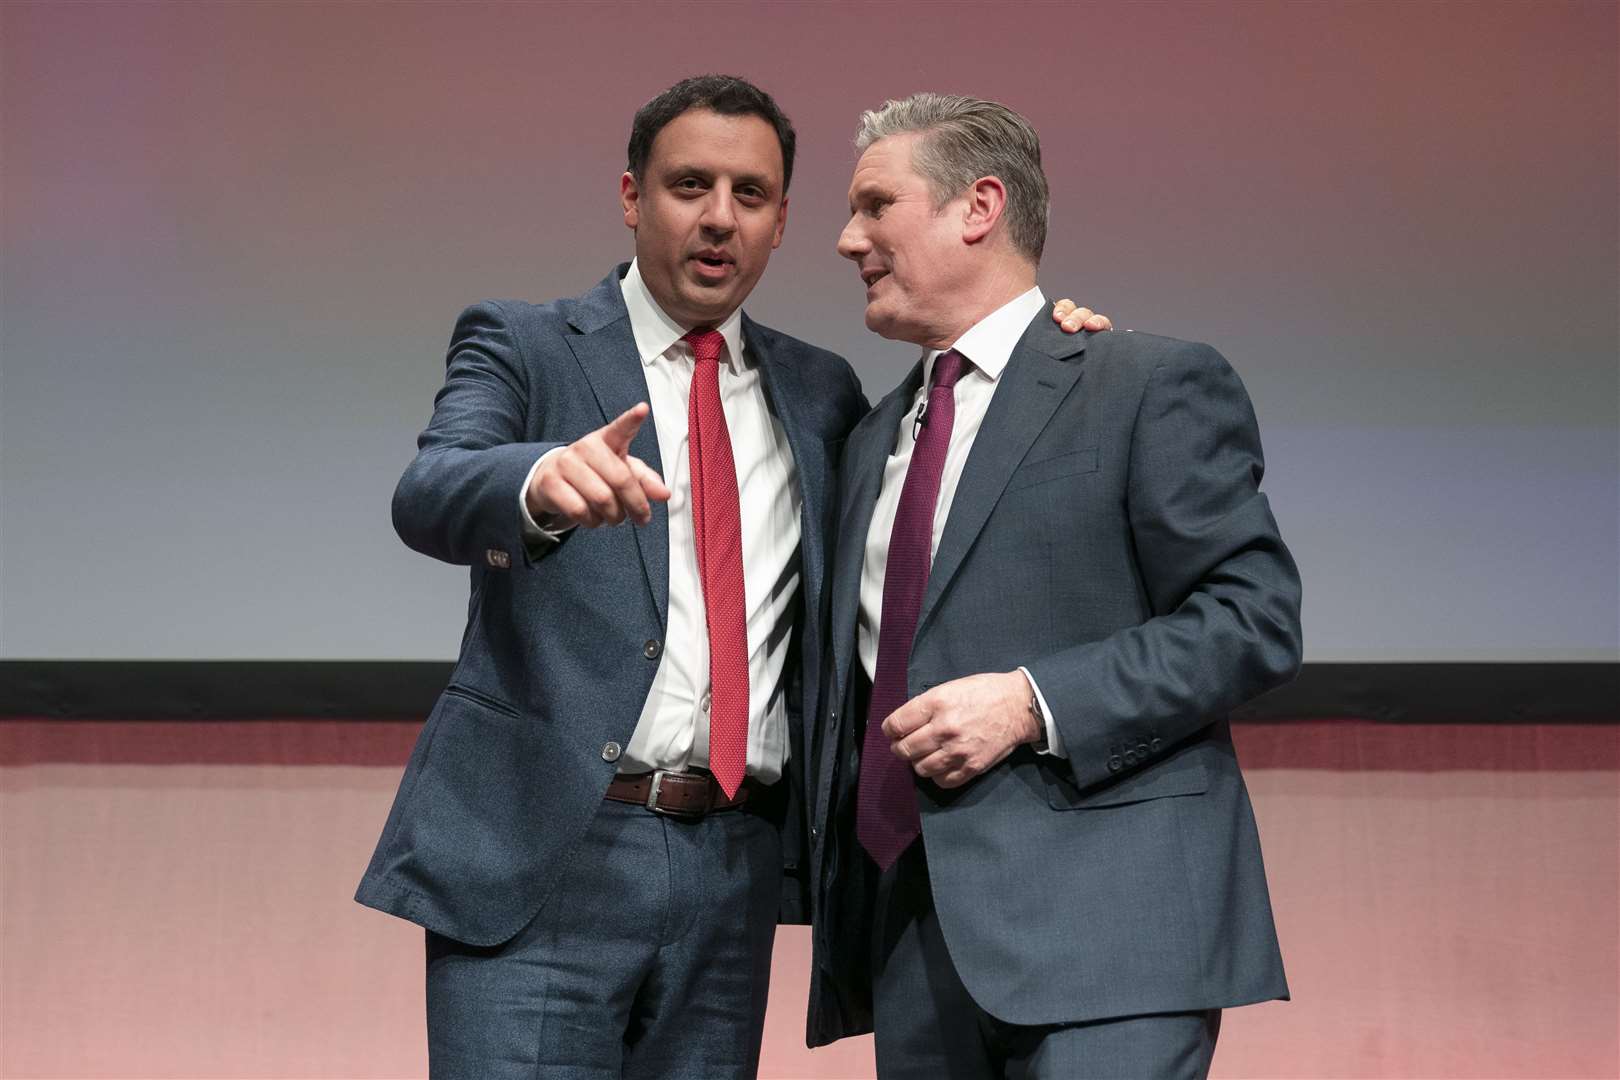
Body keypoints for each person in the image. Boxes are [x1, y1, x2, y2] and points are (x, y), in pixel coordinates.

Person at [355, 75, 1101, 1079]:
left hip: (731, 867)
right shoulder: (527, 343)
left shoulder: (821, 391)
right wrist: (538, 477)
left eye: (750, 195)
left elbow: (960, 450)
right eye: (689, 185)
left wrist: (1050, 350)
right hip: (544, 853)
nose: (719, 218)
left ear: (784, 220)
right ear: (632, 196)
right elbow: (431, 488)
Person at [807, 93, 1303, 1079]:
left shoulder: (1142, 382)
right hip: (917, 940)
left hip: (1111, 940)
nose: (844, 238)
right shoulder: (870, 439)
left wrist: (1033, 703)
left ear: (977, 207)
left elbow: (1253, 619)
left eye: (874, 205)